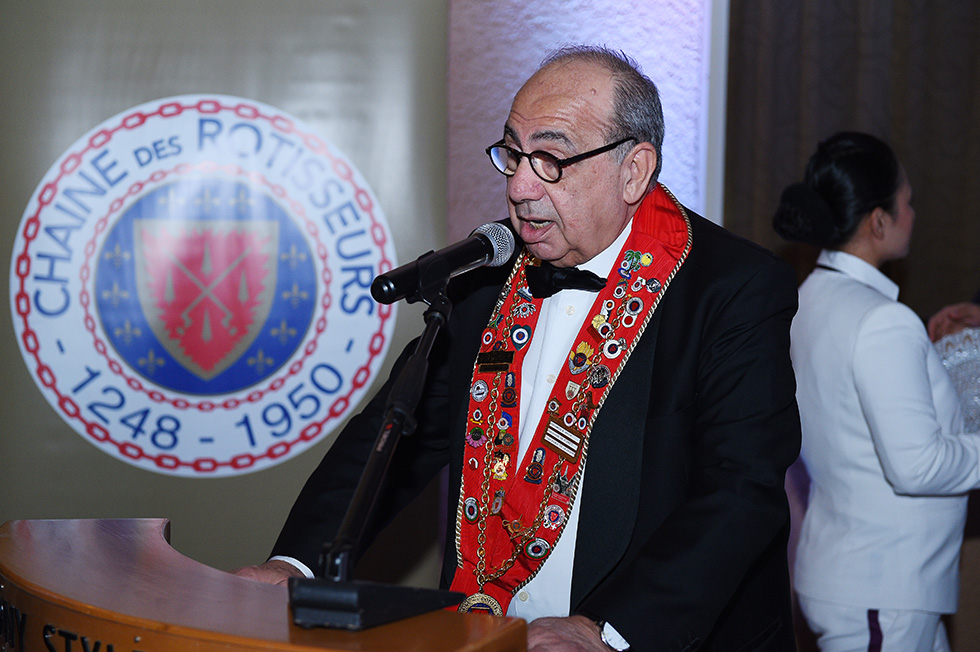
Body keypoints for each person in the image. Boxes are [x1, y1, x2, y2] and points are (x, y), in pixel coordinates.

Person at [238, 45, 802, 651]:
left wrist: (605, 629)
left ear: (634, 170)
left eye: (551, 159)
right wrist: (295, 565)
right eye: (512, 153)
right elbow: (392, 434)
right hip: (484, 631)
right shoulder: (485, 276)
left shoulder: (733, 288)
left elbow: (739, 491)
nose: (520, 186)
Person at [774, 131, 980, 652]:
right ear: (878, 221)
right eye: (906, 201)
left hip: (868, 577)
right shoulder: (883, 319)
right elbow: (918, 466)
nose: (913, 213)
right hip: (881, 587)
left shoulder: (810, 297)